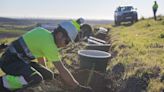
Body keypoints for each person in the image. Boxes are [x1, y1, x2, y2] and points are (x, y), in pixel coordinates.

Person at [0, 21, 92, 92]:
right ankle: (3, 83)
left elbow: (40, 56)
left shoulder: (44, 33)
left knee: (48, 75)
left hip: (19, 60)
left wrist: (44, 72)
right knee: (36, 78)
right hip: (9, 62)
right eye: (66, 41)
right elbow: (61, 68)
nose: (66, 45)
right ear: (60, 35)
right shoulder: (50, 45)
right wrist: (77, 87)